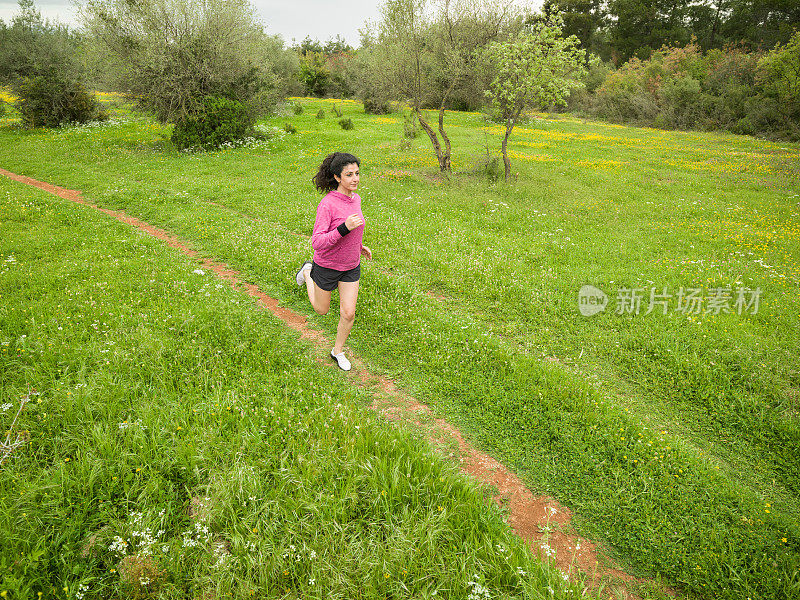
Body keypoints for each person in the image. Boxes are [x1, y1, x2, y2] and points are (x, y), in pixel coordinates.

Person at [295, 152, 372, 371]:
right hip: (327, 265)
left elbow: (354, 227)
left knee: (348, 313)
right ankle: (308, 272)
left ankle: (337, 351)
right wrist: (343, 228)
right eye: (349, 175)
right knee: (321, 310)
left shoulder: (356, 198)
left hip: (350, 266)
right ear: (337, 177)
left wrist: (358, 245)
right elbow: (317, 242)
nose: (355, 178)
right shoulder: (327, 205)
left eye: (357, 173)